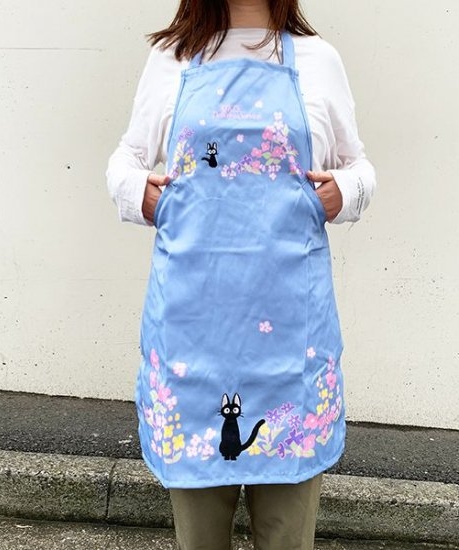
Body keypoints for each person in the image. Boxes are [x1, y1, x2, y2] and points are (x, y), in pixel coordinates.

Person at [106, 1, 376, 548]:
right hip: (192, 343)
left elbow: (358, 164)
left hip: (290, 350)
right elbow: (128, 157)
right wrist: (140, 194)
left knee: (286, 539)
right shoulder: (171, 58)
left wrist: (346, 191)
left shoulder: (318, 60)